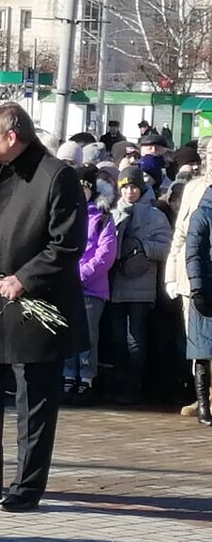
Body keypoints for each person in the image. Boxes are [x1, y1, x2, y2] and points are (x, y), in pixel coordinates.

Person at [0, 102, 86, 513]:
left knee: (34, 402)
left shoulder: (56, 176)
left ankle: (26, 486)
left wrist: (25, 278)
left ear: (11, 135)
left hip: (34, 305)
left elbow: (67, 242)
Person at [107, 165, 172, 405]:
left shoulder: (155, 215)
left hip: (141, 286)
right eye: (125, 187)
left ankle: (133, 387)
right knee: (116, 337)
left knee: (136, 338)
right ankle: (118, 383)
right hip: (116, 284)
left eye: (134, 187)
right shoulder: (114, 212)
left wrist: (143, 248)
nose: (129, 192)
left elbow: (167, 246)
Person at [62, 165, 117, 404]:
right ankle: (67, 375)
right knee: (67, 333)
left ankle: (86, 378)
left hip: (91, 288)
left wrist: (80, 274)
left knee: (88, 336)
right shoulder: (66, 214)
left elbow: (105, 254)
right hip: (68, 284)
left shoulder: (103, 217)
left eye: (84, 187)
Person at [165, 138, 212, 417]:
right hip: (191, 278)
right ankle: (201, 397)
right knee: (198, 342)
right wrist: (172, 275)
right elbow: (181, 236)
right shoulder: (194, 188)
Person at [183, 185, 212, 426]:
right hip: (206, 289)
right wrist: (197, 287)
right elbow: (193, 253)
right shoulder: (202, 214)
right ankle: (203, 404)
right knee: (203, 351)